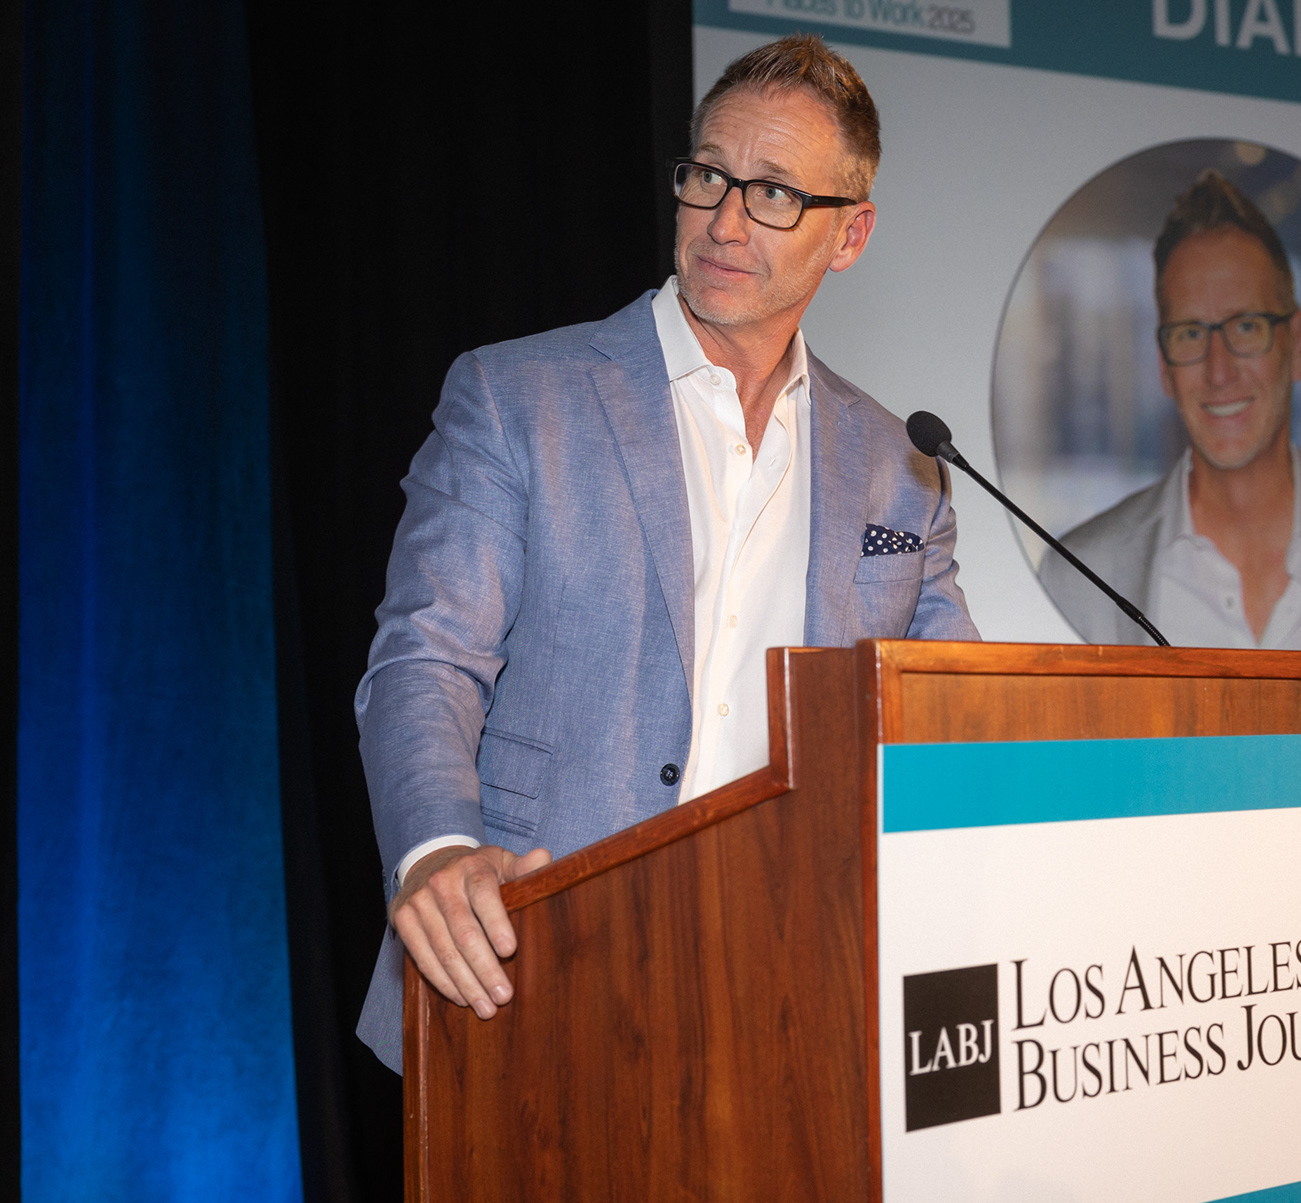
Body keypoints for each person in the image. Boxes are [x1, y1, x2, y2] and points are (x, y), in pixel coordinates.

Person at [353, 33, 977, 1074]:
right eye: (708, 176)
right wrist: (437, 850)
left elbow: (953, 712)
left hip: (790, 994)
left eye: (774, 193)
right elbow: (427, 657)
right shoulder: (518, 396)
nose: (725, 221)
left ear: (850, 234)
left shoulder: (898, 464)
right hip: (525, 966)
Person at [1039, 171, 1301, 651]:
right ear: (1164, 367)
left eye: (1247, 326)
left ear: (1299, 345)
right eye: (1191, 333)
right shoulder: (1080, 581)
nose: (1219, 370)